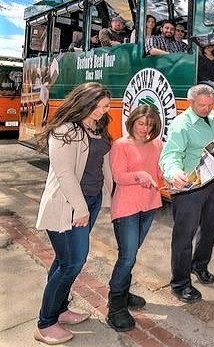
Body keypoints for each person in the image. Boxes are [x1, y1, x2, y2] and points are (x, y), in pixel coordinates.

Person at [34, 82, 112, 345]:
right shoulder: (65, 131)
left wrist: (107, 197)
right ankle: (45, 323)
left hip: (89, 201)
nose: (104, 111)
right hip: (67, 206)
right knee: (72, 262)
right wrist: (80, 208)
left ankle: (60, 309)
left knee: (63, 261)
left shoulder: (96, 127)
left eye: (106, 107)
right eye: (100, 106)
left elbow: (103, 164)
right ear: (86, 102)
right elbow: (65, 174)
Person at [159, 84, 214, 303]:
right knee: (183, 237)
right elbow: (170, 155)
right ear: (190, 103)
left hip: (212, 183)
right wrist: (173, 172)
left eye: (210, 105)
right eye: (201, 105)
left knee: (209, 230)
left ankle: (199, 265)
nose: (207, 109)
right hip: (189, 188)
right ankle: (180, 283)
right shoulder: (181, 125)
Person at [106, 105, 163, 332]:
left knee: (132, 253)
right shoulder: (120, 145)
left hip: (149, 205)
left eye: (149, 124)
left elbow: (158, 172)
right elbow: (119, 176)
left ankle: (124, 292)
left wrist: (173, 177)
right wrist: (140, 175)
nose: (145, 129)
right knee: (127, 257)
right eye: (141, 123)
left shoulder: (157, 144)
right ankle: (115, 306)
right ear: (132, 122)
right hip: (127, 208)